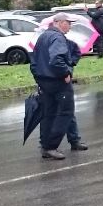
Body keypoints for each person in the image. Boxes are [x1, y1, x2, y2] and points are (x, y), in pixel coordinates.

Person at [30, 13, 76, 160]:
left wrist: (39, 78)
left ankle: (45, 146)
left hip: (44, 81)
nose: (70, 26)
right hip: (58, 82)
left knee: (48, 114)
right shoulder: (58, 38)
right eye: (68, 23)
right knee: (66, 112)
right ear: (60, 23)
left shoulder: (43, 36)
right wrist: (66, 73)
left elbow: (34, 62)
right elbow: (56, 59)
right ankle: (52, 146)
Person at [40, 35, 87, 153]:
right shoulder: (45, 44)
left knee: (67, 112)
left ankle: (74, 140)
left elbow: (75, 54)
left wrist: (68, 70)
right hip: (49, 82)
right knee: (53, 113)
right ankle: (47, 144)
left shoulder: (67, 43)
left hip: (61, 82)